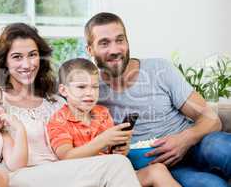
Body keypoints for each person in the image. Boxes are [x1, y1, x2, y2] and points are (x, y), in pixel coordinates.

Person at [0, 23, 141, 187]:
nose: (27, 65)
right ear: (4, 62)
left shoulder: (57, 101)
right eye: (17, 57)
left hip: (63, 173)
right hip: (18, 176)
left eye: (33, 55)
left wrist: (113, 145)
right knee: (117, 166)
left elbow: (83, 141)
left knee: (118, 163)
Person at [84, 12, 231, 186]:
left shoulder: (159, 70)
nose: (115, 50)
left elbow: (211, 119)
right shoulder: (88, 90)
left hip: (195, 145)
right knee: (211, 185)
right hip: (166, 170)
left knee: (219, 147)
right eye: (104, 43)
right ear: (90, 50)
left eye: (120, 40)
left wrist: (184, 139)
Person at [47, 58, 181, 187]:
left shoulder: (102, 113)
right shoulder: (58, 120)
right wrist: (102, 141)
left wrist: (122, 148)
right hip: (85, 179)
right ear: (64, 90)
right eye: (81, 87)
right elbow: (66, 157)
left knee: (157, 170)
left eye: (94, 87)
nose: (89, 93)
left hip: (113, 173)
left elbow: (114, 155)